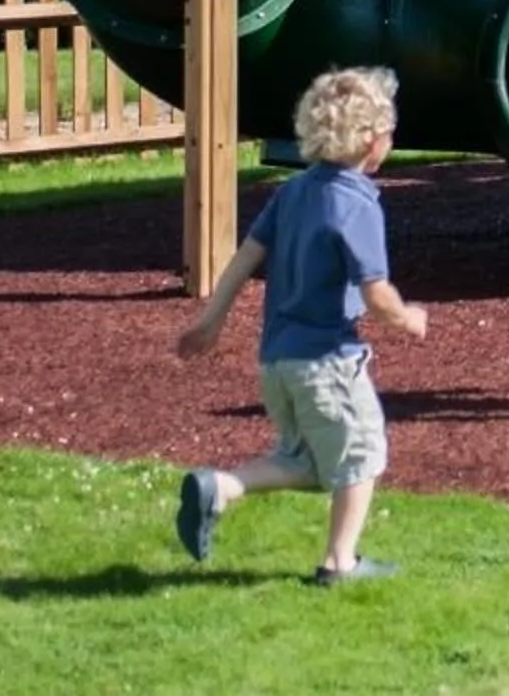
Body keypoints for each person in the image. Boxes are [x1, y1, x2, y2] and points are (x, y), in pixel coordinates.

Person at [173, 65, 429, 585]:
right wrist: (408, 319)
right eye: (387, 131)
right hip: (328, 361)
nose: (390, 140)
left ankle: (220, 487)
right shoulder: (356, 203)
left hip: (277, 361)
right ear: (368, 140)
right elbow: (377, 293)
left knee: (309, 463)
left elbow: (246, 257)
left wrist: (211, 320)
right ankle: (339, 564)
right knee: (363, 454)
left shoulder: (292, 193)